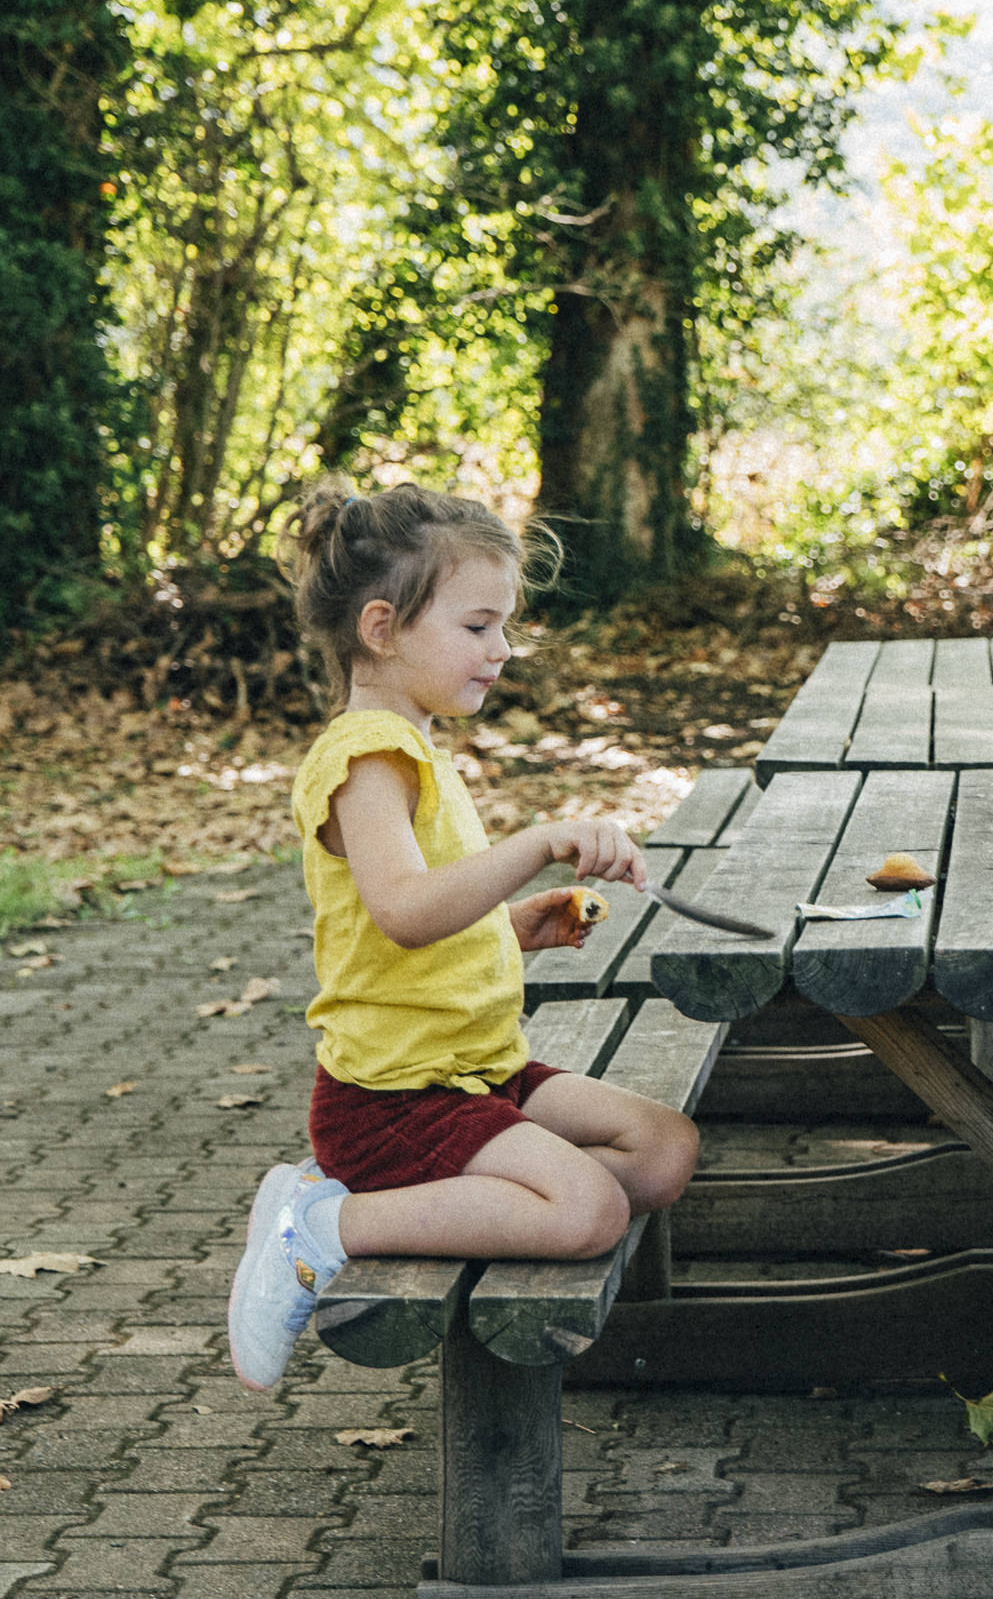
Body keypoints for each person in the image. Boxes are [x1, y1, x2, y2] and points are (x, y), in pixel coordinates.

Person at [226, 483, 701, 1392]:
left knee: (662, 1148)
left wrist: (513, 926)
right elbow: (404, 909)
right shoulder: (366, 758)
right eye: (478, 626)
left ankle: (455, 1197)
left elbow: (411, 921)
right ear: (381, 628)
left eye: (505, 627)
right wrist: (535, 844)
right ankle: (318, 1226)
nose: (502, 650)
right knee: (588, 1208)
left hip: (475, 1068)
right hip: (397, 1098)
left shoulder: (413, 744)